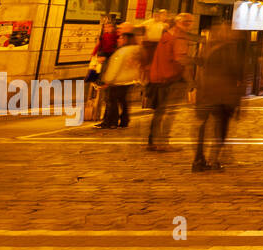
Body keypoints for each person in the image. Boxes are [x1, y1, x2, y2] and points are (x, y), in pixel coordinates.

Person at [192, 28, 245, 172]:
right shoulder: (228, 50)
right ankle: (214, 160)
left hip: (207, 94)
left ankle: (199, 160)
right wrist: (238, 100)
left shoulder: (206, 49)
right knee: (220, 129)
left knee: (204, 128)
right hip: (222, 96)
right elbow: (236, 74)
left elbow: (199, 67)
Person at [147, 12, 194, 151]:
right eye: (190, 22)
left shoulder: (166, 34)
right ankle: (163, 143)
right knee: (169, 112)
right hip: (172, 79)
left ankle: (153, 141)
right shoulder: (178, 37)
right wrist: (192, 78)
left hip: (158, 77)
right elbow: (181, 59)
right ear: (184, 23)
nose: (191, 25)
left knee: (160, 112)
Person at [99, 22, 142, 130]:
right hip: (130, 80)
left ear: (126, 39)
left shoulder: (122, 52)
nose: (118, 40)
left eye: (121, 38)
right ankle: (124, 121)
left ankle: (111, 122)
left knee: (112, 101)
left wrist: (107, 81)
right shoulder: (136, 49)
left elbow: (114, 68)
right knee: (123, 101)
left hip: (118, 80)